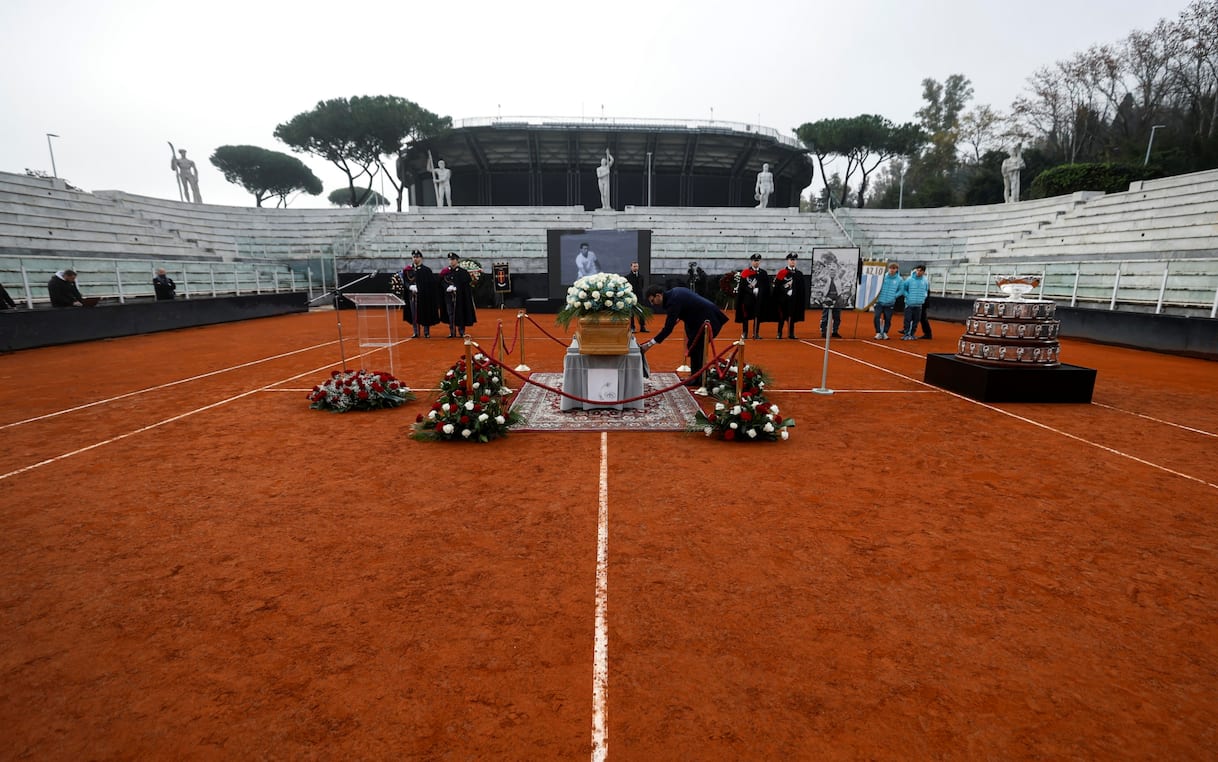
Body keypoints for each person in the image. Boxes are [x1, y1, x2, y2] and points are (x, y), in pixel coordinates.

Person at [640, 284, 729, 391]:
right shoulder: (674, 292)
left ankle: (699, 378)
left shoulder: (673, 302)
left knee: (697, 348)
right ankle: (696, 377)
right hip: (697, 320)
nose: (652, 304)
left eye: (652, 300)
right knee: (693, 347)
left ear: (658, 295)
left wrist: (650, 344)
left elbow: (668, 328)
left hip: (708, 319)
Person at [391, 250, 441, 338]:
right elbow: (405, 281)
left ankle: (426, 331)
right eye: (414, 257)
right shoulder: (408, 270)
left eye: (417, 257)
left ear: (421, 258)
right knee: (413, 314)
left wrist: (421, 288)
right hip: (412, 295)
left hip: (423, 296)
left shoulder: (426, 270)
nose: (415, 259)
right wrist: (410, 287)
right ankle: (415, 331)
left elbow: (431, 284)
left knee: (425, 313)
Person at [439, 253, 477, 337]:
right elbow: (441, 282)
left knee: (460, 313)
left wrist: (457, 288)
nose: (451, 261)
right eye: (450, 259)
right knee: (450, 314)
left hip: (460, 297)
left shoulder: (462, 272)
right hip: (449, 297)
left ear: (456, 260)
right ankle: (452, 331)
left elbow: (466, 285)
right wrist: (447, 287)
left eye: (453, 259)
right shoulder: (445, 272)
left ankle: (461, 331)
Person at [734, 254, 770, 340]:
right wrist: (751, 291)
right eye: (754, 261)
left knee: (757, 315)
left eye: (757, 261)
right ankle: (745, 332)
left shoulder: (763, 273)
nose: (756, 262)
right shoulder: (746, 273)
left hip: (758, 298)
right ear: (751, 261)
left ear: (760, 261)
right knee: (745, 316)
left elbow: (766, 287)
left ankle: (756, 333)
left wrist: (759, 290)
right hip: (748, 299)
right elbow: (742, 286)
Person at [772, 253, 806, 339]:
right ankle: (779, 333)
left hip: (794, 300)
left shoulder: (799, 274)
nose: (793, 262)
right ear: (788, 261)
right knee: (781, 317)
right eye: (791, 260)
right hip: (783, 299)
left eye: (794, 260)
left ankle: (791, 333)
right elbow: (777, 286)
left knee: (792, 317)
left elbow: (801, 288)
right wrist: (786, 291)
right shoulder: (782, 273)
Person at [872, 262, 903, 339]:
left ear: (896, 270)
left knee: (888, 318)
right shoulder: (883, 277)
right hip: (879, 301)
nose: (892, 270)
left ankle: (885, 332)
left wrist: (894, 296)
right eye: (890, 268)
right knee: (876, 317)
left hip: (890, 302)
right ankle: (878, 332)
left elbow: (901, 290)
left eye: (894, 268)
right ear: (888, 269)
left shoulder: (899, 279)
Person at [901, 264, 930, 340]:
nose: (918, 272)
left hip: (919, 304)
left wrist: (923, 297)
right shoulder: (909, 279)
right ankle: (906, 334)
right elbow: (904, 289)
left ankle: (912, 334)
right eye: (917, 270)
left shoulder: (925, 280)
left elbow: (926, 291)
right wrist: (908, 296)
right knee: (908, 319)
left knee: (916, 321)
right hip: (909, 303)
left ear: (923, 272)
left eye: (920, 271)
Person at [625, 261, 648, 333]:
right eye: (634, 266)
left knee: (641, 312)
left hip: (640, 297)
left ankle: (642, 327)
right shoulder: (627, 277)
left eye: (637, 266)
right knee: (631, 313)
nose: (635, 268)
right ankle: (632, 327)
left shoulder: (641, 277)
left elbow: (642, 286)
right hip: (631, 297)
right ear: (631, 267)